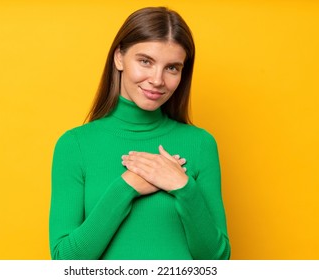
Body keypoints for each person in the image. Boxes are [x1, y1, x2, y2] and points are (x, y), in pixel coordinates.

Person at [49, 6, 231, 260]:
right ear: (119, 58)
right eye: (145, 61)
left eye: (172, 68)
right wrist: (127, 187)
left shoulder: (200, 144)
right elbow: (65, 261)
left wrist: (183, 186)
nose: (157, 79)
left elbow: (216, 259)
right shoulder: (75, 145)